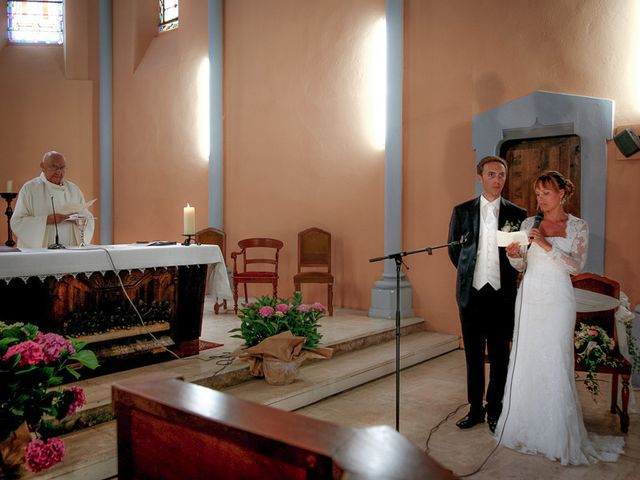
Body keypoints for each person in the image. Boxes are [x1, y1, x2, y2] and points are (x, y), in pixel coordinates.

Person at [495, 171, 624, 465]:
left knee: (554, 358)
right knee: (527, 359)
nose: (540, 200)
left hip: (557, 299)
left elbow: (575, 267)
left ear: (563, 194)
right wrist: (514, 254)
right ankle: (526, 429)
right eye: (537, 194)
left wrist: (546, 245)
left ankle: (558, 434)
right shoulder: (530, 223)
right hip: (529, 296)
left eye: (546, 194)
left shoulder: (578, 226)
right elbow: (521, 265)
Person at [448, 155, 527, 433]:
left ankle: (495, 409)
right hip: (471, 295)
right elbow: (454, 251)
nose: (497, 180)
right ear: (480, 178)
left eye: (501, 175)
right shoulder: (462, 211)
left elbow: (520, 253)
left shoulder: (518, 214)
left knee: (499, 356)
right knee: (472, 355)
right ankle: (474, 409)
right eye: (491, 174)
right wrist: (472, 273)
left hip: (502, 296)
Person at [10, 151, 95, 248]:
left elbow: (88, 218)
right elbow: (17, 222)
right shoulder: (30, 189)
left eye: (62, 168)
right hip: (42, 253)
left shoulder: (73, 189)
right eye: (54, 167)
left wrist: (77, 219)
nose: (58, 172)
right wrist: (46, 220)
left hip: (71, 250)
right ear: (42, 166)